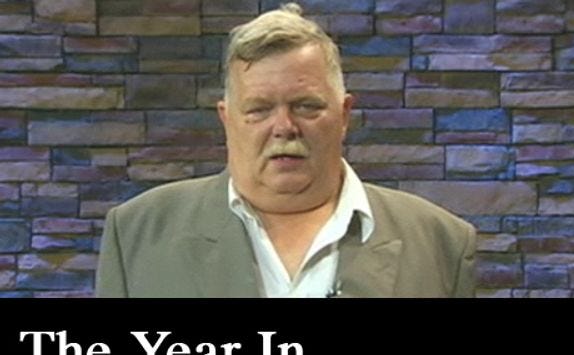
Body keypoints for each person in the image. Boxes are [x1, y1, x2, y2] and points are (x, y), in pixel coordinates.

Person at [96, 3, 476, 298]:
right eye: (259, 110)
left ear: (344, 115)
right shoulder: (136, 235)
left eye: (306, 106)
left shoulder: (441, 243)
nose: (284, 127)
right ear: (227, 119)